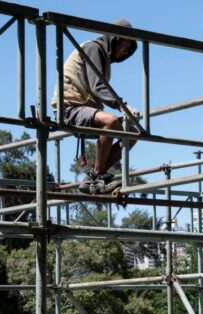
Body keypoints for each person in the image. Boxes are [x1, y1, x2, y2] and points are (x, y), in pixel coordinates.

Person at [51, 18, 140, 194]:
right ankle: (98, 176)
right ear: (115, 39)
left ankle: (93, 176)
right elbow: (97, 86)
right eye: (126, 44)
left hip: (85, 109)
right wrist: (123, 105)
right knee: (111, 121)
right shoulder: (93, 48)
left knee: (132, 132)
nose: (126, 50)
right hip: (70, 108)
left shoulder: (103, 58)